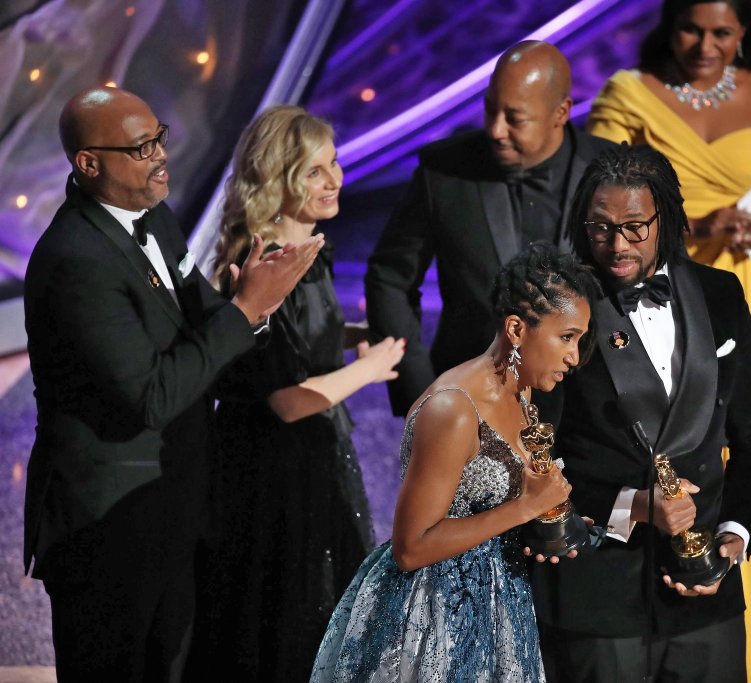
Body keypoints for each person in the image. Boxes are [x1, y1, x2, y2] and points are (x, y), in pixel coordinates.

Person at [22, 87, 322, 682]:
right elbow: (150, 395)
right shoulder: (75, 261)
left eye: (159, 137)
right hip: (107, 530)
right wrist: (243, 311)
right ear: (89, 163)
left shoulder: (155, 218)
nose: (161, 154)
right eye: (141, 148)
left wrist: (254, 310)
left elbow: (203, 323)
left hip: (176, 505)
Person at [586, 2, 751, 675]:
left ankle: (718, 590)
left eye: (722, 33)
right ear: (668, 25)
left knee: (737, 435)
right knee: (635, 435)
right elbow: (599, 192)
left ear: (744, 34)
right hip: (638, 269)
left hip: (740, 275)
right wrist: (697, 225)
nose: (705, 45)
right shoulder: (630, 93)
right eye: (691, 29)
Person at [531, 145, 751, 682]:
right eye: (600, 228)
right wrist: (632, 505)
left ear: (665, 218)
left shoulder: (721, 293)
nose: (617, 245)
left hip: (705, 590)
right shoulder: (559, 309)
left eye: (634, 227)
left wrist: (734, 533)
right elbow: (533, 455)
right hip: (596, 595)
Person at [310, 246, 601, 682]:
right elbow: (411, 548)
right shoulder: (454, 409)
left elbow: (489, 510)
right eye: (567, 337)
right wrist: (523, 507)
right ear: (516, 329)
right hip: (433, 620)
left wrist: (549, 524)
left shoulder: (522, 391)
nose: (575, 357)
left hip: (501, 609)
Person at [187, 106, 406, 682]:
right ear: (277, 180)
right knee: (285, 618)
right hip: (271, 474)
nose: (335, 180)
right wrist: (370, 368)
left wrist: (350, 336)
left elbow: (300, 343)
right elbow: (286, 399)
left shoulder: (308, 252)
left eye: (334, 163)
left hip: (314, 455)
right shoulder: (265, 267)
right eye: (314, 171)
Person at [364, 40, 615, 417]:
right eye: (490, 110)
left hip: (591, 414)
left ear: (561, 112)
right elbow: (390, 278)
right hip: (468, 407)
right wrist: (421, 392)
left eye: (515, 118)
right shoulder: (444, 171)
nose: (495, 130)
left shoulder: (613, 170)